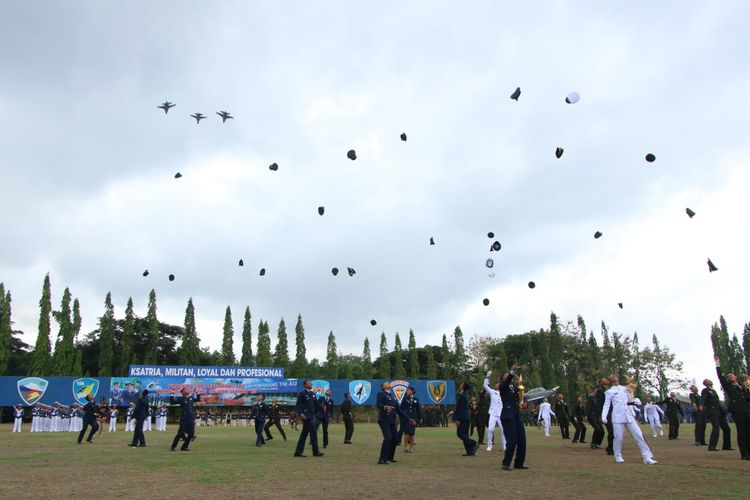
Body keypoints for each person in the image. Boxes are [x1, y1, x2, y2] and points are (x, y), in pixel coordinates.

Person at [601, 374, 657, 464]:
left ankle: (647, 456)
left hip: (629, 416)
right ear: (610, 381)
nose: (615, 379)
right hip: (618, 417)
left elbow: (630, 400)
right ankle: (618, 456)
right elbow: (606, 405)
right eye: (612, 378)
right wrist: (604, 416)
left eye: (615, 378)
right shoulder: (609, 392)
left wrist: (636, 401)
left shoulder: (625, 388)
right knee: (618, 438)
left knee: (639, 435)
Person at [714, 357, 750, 459]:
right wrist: (717, 364)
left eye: (732, 375)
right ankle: (744, 454)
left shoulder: (742, 387)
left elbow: (746, 398)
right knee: (741, 432)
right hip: (737, 411)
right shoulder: (729, 386)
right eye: (729, 376)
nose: (731, 377)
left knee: (748, 431)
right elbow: (720, 377)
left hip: (747, 410)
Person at [499, 364, 527, 471]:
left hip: (516, 415)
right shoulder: (503, 386)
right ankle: (506, 463)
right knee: (512, 441)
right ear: (502, 378)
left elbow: (519, 398)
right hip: (507, 416)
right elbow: (507, 381)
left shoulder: (513, 387)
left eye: (508, 375)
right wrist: (512, 371)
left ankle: (519, 463)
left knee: (522, 440)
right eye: (505, 375)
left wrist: (524, 403)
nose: (508, 377)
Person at [294, 379, 324, 458]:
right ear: (305, 385)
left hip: (311, 416)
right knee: (313, 432)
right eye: (309, 383)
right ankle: (315, 451)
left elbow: (316, 403)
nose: (311, 384)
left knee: (304, 434)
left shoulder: (312, 394)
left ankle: (298, 452)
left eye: (311, 383)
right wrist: (300, 413)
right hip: (306, 416)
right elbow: (298, 405)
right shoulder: (302, 394)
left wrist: (322, 406)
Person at [701, 377, 731, 451]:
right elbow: (703, 398)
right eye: (707, 380)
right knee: (716, 428)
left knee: (726, 428)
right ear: (705, 383)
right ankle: (712, 446)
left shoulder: (713, 391)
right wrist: (701, 405)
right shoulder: (705, 390)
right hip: (712, 411)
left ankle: (726, 446)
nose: (710, 380)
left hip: (719, 412)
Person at [376, 381, 403, 464]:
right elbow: (378, 404)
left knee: (395, 439)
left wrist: (409, 419)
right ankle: (382, 459)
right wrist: (385, 406)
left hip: (392, 420)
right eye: (386, 383)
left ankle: (389, 458)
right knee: (388, 438)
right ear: (383, 387)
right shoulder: (381, 394)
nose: (389, 383)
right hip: (384, 419)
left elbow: (399, 410)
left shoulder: (392, 396)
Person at [169, 387, 200, 451]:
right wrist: (172, 394)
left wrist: (197, 393)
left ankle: (184, 447)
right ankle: (173, 447)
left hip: (191, 418)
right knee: (180, 433)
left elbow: (198, 399)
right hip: (184, 418)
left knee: (191, 434)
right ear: (182, 392)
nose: (188, 390)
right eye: (186, 389)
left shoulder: (191, 398)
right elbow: (172, 402)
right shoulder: (181, 399)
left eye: (188, 389)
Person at [483, 371, 506, 452]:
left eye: (499, 384)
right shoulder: (492, 391)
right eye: (497, 384)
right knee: (490, 429)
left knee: (503, 430)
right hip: (493, 413)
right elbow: (485, 385)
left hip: (501, 414)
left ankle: (504, 446)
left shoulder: (504, 393)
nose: (498, 385)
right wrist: (487, 376)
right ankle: (489, 445)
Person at [454, 382, 478, 456]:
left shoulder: (462, 395)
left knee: (460, 434)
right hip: (466, 417)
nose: (460, 385)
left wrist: (457, 419)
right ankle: (470, 451)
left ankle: (473, 443)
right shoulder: (466, 394)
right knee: (465, 434)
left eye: (461, 384)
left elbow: (459, 408)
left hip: (462, 417)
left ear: (463, 387)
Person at [399, 386, 420, 453]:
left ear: (412, 391)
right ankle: (405, 447)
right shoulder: (404, 398)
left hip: (414, 418)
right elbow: (400, 408)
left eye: (408, 390)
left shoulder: (416, 399)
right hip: (406, 418)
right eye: (407, 390)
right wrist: (401, 416)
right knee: (407, 433)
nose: (407, 391)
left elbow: (418, 409)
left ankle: (411, 448)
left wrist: (420, 418)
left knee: (412, 433)